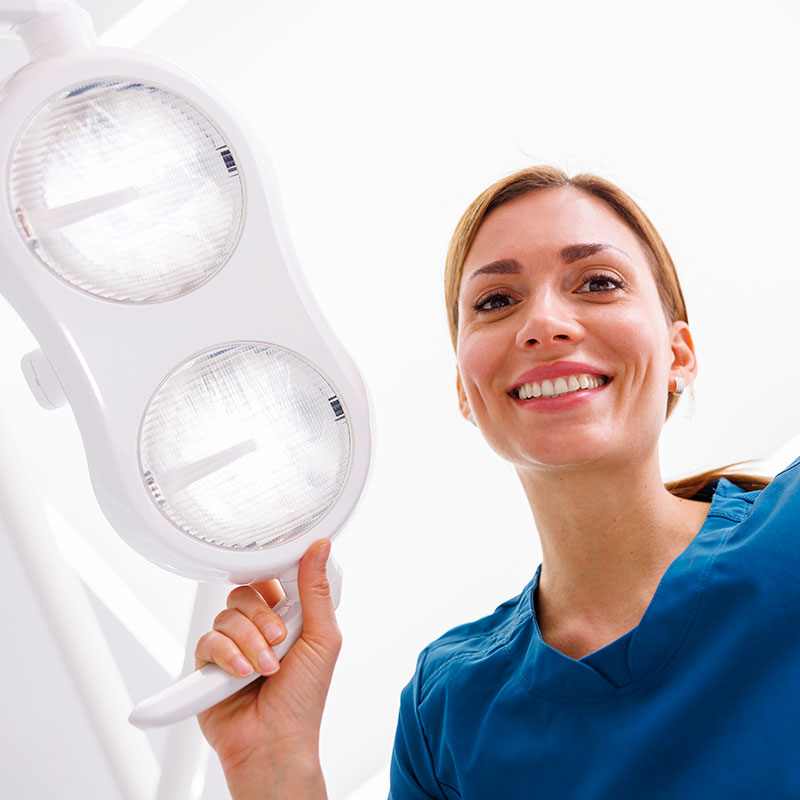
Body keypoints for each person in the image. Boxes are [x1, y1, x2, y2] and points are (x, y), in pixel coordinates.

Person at [193, 166, 799, 799]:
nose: (543, 323)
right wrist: (274, 766)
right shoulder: (449, 709)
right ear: (465, 390)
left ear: (679, 355)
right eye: (496, 302)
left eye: (598, 283)